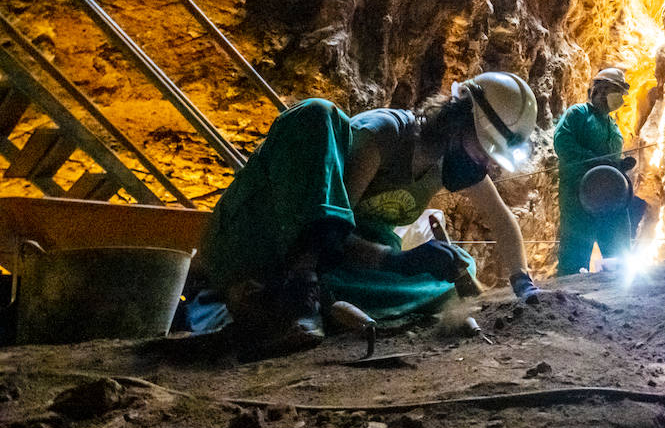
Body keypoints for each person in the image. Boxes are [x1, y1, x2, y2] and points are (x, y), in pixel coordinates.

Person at [201, 72, 542, 356]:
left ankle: (305, 298)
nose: (485, 163)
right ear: (457, 120)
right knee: (426, 280)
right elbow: (329, 231)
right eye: (484, 149)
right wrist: (399, 262)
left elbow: (502, 220)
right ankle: (288, 297)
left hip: (346, 262)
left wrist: (523, 284)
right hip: (296, 244)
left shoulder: (448, 159)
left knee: (455, 266)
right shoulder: (384, 135)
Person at [553, 67, 645, 274]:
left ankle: (620, 289)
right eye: (616, 91)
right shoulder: (578, 114)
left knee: (619, 256)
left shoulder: (613, 126)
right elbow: (563, 143)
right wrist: (594, 161)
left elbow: (609, 160)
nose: (620, 97)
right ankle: (568, 289)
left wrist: (619, 165)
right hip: (578, 195)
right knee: (575, 256)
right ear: (600, 91)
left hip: (612, 197)